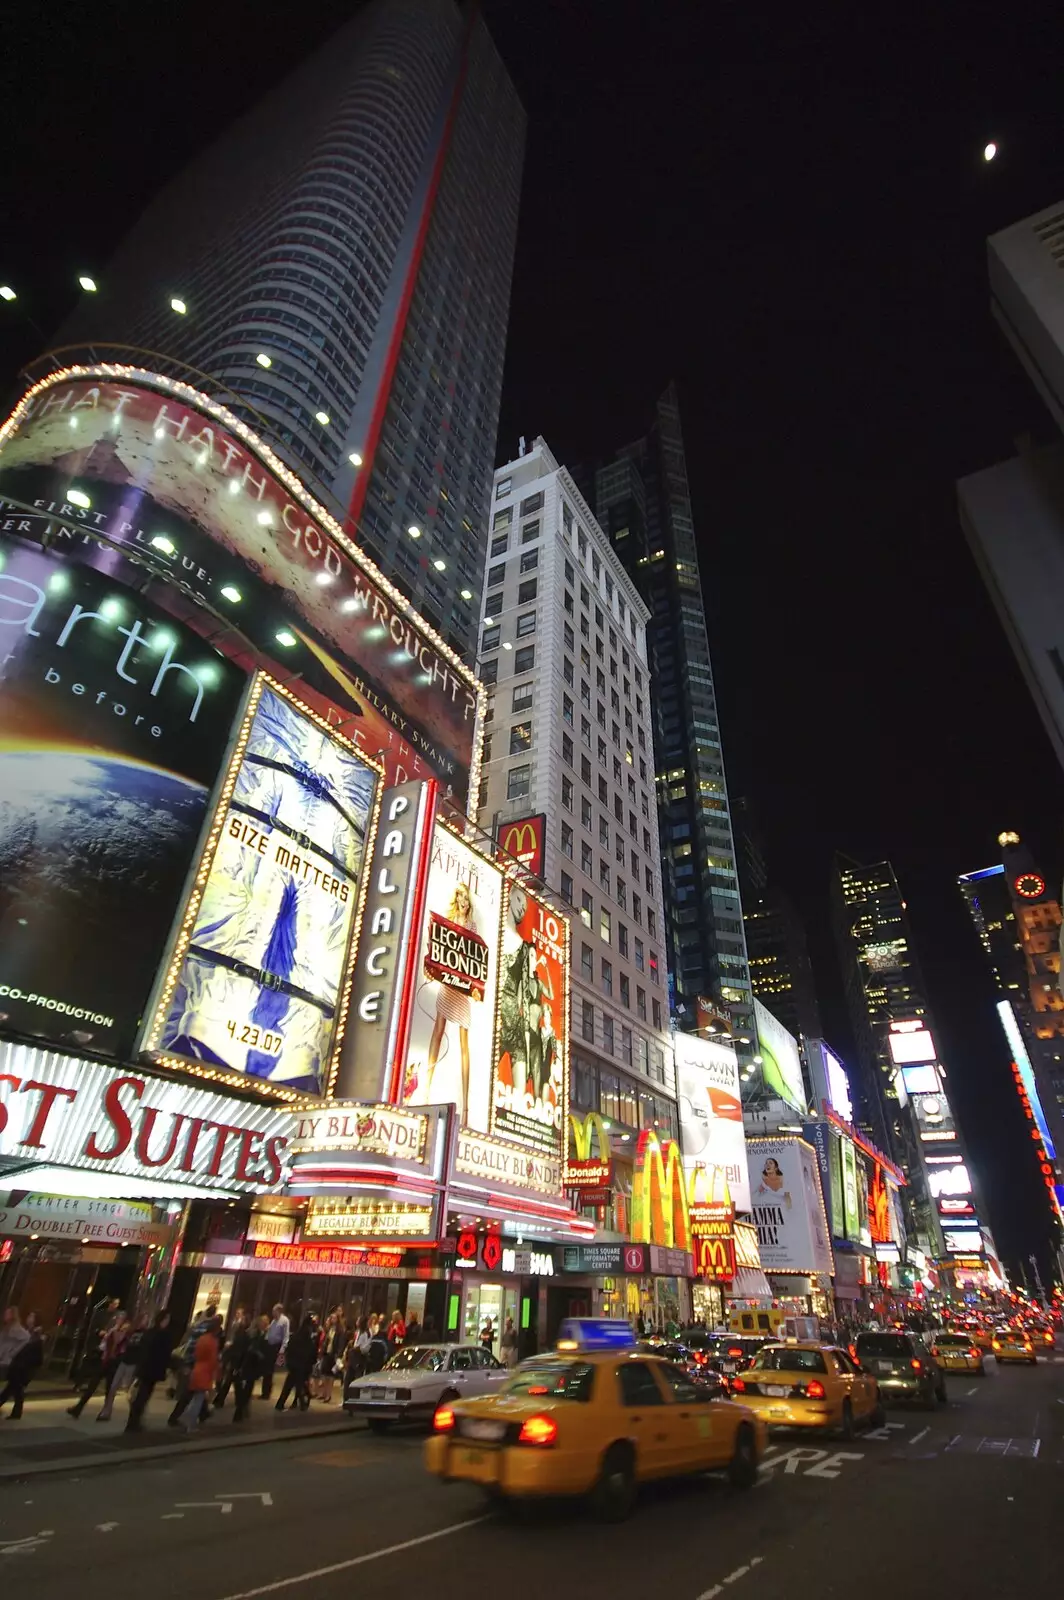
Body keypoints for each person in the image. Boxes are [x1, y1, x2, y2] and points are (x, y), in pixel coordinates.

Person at [423, 882, 481, 1126]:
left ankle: (467, 1107)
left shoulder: (472, 926)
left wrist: (476, 987)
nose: (463, 902)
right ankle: (425, 1089)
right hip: (448, 982)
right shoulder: (448, 921)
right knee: (438, 1031)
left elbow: (477, 958)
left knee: (464, 1043)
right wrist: (430, 967)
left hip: (463, 986)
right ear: (456, 900)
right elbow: (435, 947)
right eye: (460, 898)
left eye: (466, 899)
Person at [69, 1312, 131, 1420]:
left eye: (121, 1319)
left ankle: (106, 1411)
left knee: (109, 1389)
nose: (118, 1321)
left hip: (114, 1362)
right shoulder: (113, 1330)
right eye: (118, 1318)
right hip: (105, 1360)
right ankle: (78, 1408)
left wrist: (117, 1333)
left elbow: (120, 1345)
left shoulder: (124, 1332)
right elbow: (105, 1344)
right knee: (92, 1385)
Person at [167, 1303, 220, 1426]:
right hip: (194, 1363)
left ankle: (202, 1413)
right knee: (191, 1392)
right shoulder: (207, 1330)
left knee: (194, 1392)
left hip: (189, 1361)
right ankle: (182, 1418)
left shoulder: (197, 1326)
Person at [125, 1310, 175, 1433]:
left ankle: (133, 1421)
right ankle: (134, 1422)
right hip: (153, 1369)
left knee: (141, 1395)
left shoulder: (149, 1333)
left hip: (144, 1367)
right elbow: (164, 1353)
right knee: (143, 1395)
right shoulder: (163, 1335)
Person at [98, 1314, 147, 1421]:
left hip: (133, 1363)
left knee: (128, 1391)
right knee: (113, 1388)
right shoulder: (130, 1331)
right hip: (125, 1360)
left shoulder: (145, 1334)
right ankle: (106, 1412)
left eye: (144, 1320)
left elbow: (143, 1349)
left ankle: (135, 1413)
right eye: (142, 1320)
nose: (143, 1322)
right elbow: (119, 1342)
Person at [180, 1319, 221, 1432]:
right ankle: (191, 1423)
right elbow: (213, 1360)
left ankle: (187, 1417)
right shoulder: (213, 1341)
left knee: (195, 1397)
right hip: (205, 1371)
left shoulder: (202, 1338)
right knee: (198, 1399)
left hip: (197, 1368)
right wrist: (216, 1374)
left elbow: (196, 1354)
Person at [0, 1312, 43, 1419]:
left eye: (31, 1317)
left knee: (12, 1388)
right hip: (20, 1367)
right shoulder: (29, 1332)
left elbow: (36, 1355)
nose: (28, 1318)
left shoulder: (36, 1335)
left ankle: (16, 1412)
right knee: (15, 1389)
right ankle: (17, 1413)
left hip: (23, 1368)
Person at [276, 1315, 317, 1411]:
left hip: (293, 1364)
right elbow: (311, 1353)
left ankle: (280, 1403)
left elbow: (289, 1348)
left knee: (289, 1385)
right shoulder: (308, 1339)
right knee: (299, 1385)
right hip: (301, 1365)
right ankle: (302, 1404)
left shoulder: (296, 1336)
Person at [234, 1316, 270, 1422]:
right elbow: (252, 1349)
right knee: (246, 1389)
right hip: (249, 1366)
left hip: (246, 1366)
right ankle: (240, 1410)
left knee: (245, 1388)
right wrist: (259, 1355)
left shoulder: (249, 1334)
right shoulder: (255, 1336)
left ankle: (243, 1410)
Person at [213, 1308, 250, 1410]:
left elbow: (239, 1345)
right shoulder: (235, 1326)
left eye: (239, 1314)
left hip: (235, 1359)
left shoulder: (242, 1332)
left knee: (231, 1381)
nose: (237, 1315)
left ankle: (224, 1401)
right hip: (234, 1358)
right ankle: (238, 1403)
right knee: (232, 1381)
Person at [261, 1303, 290, 1400]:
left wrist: (282, 1349)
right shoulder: (273, 1321)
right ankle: (265, 1391)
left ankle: (267, 1392)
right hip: (269, 1345)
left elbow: (286, 1336)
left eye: (274, 1311)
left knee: (269, 1370)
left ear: (279, 1311)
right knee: (266, 1369)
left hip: (276, 1346)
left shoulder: (284, 1321)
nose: (273, 1313)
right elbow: (269, 1332)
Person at [317, 1309, 346, 1403]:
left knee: (330, 1375)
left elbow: (340, 1344)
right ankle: (324, 1393)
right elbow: (327, 1341)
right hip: (327, 1353)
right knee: (324, 1374)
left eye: (334, 1318)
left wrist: (339, 1355)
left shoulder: (340, 1331)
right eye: (331, 1318)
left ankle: (328, 1395)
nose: (332, 1319)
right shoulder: (330, 1329)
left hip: (333, 1354)